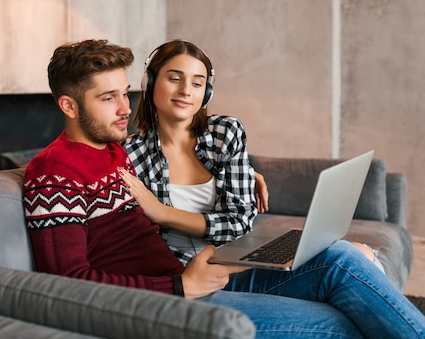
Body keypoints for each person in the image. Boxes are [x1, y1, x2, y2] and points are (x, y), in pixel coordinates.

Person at [23, 39, 425, 338]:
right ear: (69, 107)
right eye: (108, 98)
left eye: (124, 94)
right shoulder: (53, 172)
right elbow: (66, 281)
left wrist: (246, 175)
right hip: (169, 300)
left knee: (337, 257)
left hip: (193, 274)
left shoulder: (115, 151)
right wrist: (179, 286)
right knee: (344, 324)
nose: (124, 108)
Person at [121, 39, 383, 271]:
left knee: (359, 252)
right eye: (174, 78)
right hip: (191, 268)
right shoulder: (130, 153)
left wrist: (162, 212)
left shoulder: (225, 131)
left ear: (206, 92)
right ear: (150, 83)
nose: (186, 90)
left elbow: (238, 225)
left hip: (237, 253)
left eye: (197, 83)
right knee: (347, 261)